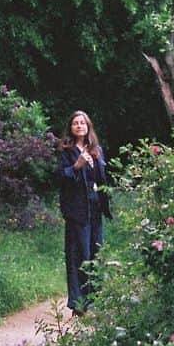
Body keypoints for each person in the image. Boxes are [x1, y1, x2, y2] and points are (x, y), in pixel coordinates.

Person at [56, 110, 111, 316]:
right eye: (75, 123)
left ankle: (95, 300)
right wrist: (76, 167)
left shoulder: (96, 150)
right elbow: (60, 177)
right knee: (79, 255)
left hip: (95, 208)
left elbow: (102, 178)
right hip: (76, 211)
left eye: (83, 123)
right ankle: (79, 304)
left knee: (96, 254)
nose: (79, 126)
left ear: (88, 127)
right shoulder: (66, 151)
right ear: (71, 128)